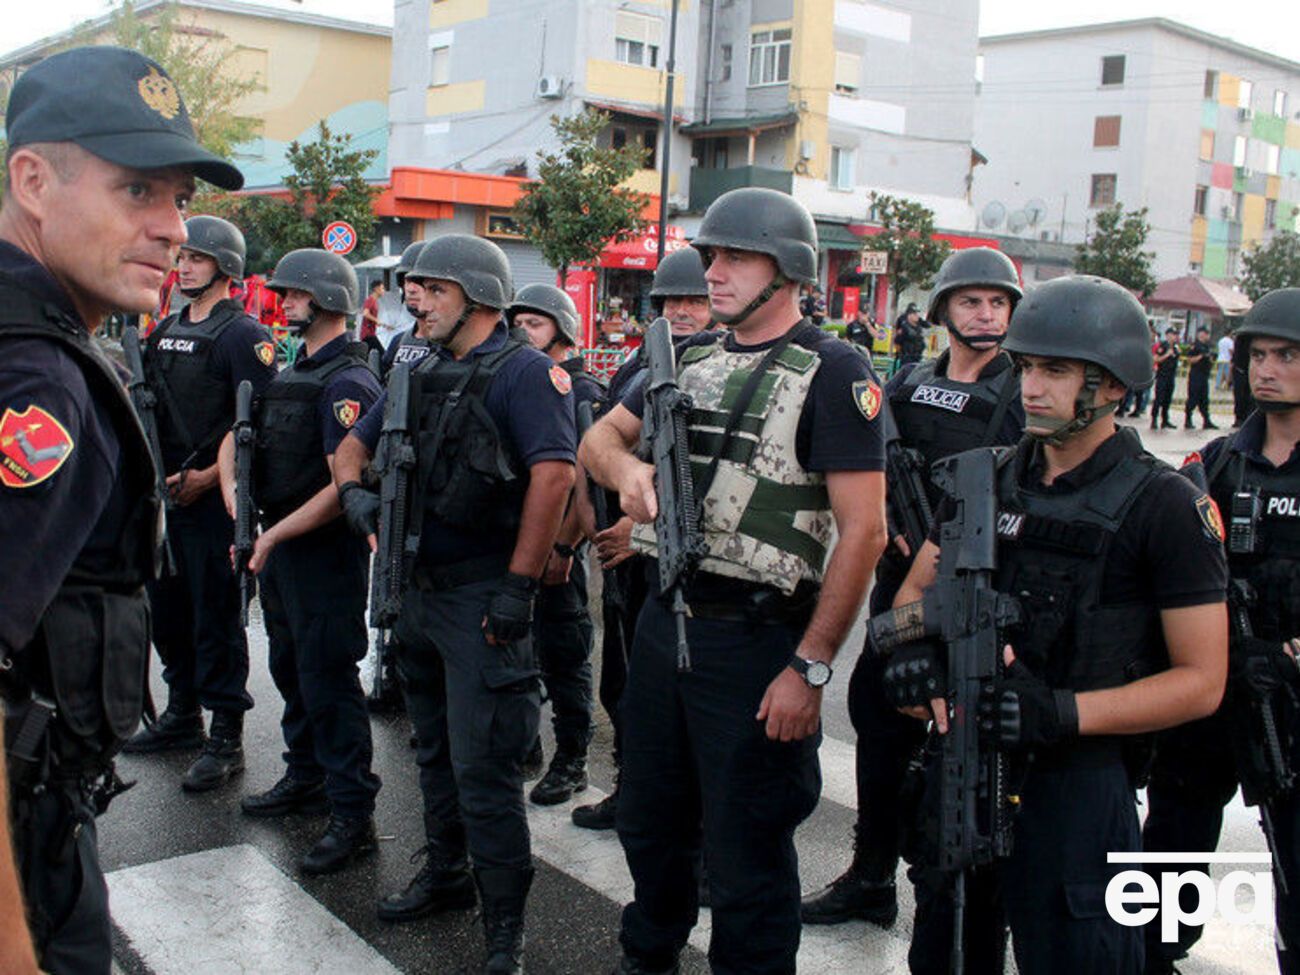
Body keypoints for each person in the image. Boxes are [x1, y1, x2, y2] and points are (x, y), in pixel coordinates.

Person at [580, 186, 888, 974]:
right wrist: (629, 471)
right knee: (649, 823)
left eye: (734, 257)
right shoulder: (684, 358)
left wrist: (810, 666)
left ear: (786, 271)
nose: (712, 272)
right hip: (664, 621)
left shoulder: (834, 371)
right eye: (710, 255)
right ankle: (645, 957)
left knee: (747, 850)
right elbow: (597, 441)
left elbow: (866, 531)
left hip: (757, 641)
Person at [887, 274, 1228, 974]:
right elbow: (910, 597)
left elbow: (1201, 682)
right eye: (1029, 367)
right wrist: (914, 654)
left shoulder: (1163, 504)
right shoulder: (982, 481)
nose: (1032, 386)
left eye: (1057, 371)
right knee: (947, 952)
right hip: (967, 761)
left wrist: (1062, 712)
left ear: (1110, 385)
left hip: (1080, 783)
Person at [0, 45, 242, 974]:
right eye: (139, 190)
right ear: (33, 179)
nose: (176, 228)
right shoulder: (38, 381)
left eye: (179, 198)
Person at [333, 234, 575, 974]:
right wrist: (357, 499)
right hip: (417, 594)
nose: (417, 300)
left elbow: (555, 477)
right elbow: (352, 445)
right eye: (416, 288)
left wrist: (518, 587)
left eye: (434, 289)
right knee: (431, 751)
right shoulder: (416, 368)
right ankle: (445, 874)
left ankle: (505, 925)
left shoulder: (525, 373)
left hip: (480, 596)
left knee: (486, 767)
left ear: (478, 296)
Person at [801, 246, 1025, 930]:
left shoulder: (1021, 393)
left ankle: (965, 891)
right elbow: (868, 464)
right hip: (899, 590)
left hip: (978, 596)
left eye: (998, 303)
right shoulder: (906, 385)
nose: (985, 314)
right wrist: (894, 521)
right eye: (971, 301)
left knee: (971, 750)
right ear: (942, 312)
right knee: (879, 724)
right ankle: (871, 875)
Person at [1142, 288, 1300, 975]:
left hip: (1290, 697)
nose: (1267, 369)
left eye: (1287, 355)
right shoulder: (1216, 460)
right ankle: (1153, 953)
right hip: (1215, 684)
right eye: (1259, 354)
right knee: (1173, 834)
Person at [217, 248, 383, 874]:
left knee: (328, 679)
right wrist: (238, 503)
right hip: (278, 544)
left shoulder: (348, 381)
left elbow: (344, 486)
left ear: (328, 301)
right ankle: (305, 775)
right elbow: (239, 435)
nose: (283, 303)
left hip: (321, 553)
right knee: (290, 668)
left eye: (295, 295)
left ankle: (352, 813)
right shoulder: (292, 370)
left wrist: (274, 533)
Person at [121, 215, 277, 793]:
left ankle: (226, 736)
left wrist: (212, 478)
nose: (182, 266)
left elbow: (255, 421)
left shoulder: (245, 337)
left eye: (196, 259)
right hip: (168, 500)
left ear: (225, 269)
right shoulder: (164, 330)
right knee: (169, 610)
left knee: (217, 617)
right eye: (181, 258)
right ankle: (182, 713)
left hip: (216, 503)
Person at [570, 246, 717, 832]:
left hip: (668, 554)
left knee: (683, 704)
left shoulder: (710, 367)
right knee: (623, 686)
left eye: (695, 301)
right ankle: (632, 789)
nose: (681, 311)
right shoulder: (641, 363)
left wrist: (646, 531)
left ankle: (690, 821)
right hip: (618, 553)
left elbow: (707, 474)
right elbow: (600, 445)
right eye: (671, 300)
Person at [507, 283, 602, 806]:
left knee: (565, 655)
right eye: (516, 321)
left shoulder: (580, 391)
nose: (522, 331)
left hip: (560, 551)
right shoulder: (525, 381)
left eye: (534, 323)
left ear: (561, 333)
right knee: (517, 652)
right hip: (521, 539)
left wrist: (563, 549)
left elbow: (581, 477)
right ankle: (525, 747)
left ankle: (573, 758)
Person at [380, 240, 434, 374]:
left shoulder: (455, 348)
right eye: (407, 280)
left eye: (419, 281)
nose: (411, 289)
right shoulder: (398, 342)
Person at [1183, 324, 1217, 429]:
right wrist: (1201, 356)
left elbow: (1211, 360)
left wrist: (1211, 358)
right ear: (1200, 334)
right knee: (1193, 398)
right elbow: (1190, 360)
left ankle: (1206, 421)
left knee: (1204, 399)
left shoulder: (1207, 346)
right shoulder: (1195, 346)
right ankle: (1188, 420)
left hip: (1204, 375)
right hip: (1195, 375)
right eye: (1205, 333)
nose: (1207, 336)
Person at [1151, 325, 1180, 429]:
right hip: (1162, 375)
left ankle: (1165, 420)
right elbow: (1155, 359)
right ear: (1167, 335)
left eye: (1176, 335)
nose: (1175, 337)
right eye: (1173, 334)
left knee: (1167, 399)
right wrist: (1166, 355)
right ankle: (1154, 419)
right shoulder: (1163, 346)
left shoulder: (1176, 347)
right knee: (1159, 398)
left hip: (1171, 376)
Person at [894, 303, 927, 368]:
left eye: (917, 314)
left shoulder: (918, 327)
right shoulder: (904, 327)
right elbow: (897, 342)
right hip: (907, 358)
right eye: (915, 314)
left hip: (917, 357)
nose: (917, 316)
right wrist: (901, 354)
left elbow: (928, 325)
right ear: (909, 315)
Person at [359, 279, 384, 354]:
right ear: (376, 289)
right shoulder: (370, 300)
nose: (383, 291)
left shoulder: (375, 301)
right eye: (382, 288)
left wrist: (384, 325)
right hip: (367, 334)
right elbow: (365, 313)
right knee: (382, 353)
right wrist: (376, 320)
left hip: (371, 333)